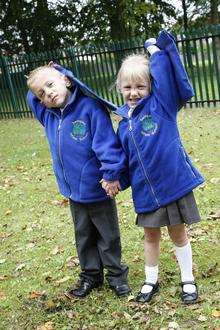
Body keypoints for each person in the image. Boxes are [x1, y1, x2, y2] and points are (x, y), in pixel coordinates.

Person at [102, 31, 204, 304]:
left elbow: (166, 78)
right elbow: (124, 160)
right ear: (119, 88)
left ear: (151, 87)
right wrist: (114, 179)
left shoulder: (163, 105)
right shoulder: (123, 124)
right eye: (127, 87)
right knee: (150, 236)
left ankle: (187, 279)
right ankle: (150, 280)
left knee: (178, 233)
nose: (133, 93)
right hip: (146, 191)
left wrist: (156, 52)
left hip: (172, 184)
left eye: (140, 87)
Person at [26, 63, 130, 298]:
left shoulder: (90, 108)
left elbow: (107, 145)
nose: (48, 93)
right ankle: (91, 275)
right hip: (73, 191)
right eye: (42, 93)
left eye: (51, 84)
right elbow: (30, 97)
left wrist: (111, 175)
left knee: (107, 235)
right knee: (83, 235)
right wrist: (40, 83)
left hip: (98, 188)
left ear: (67, 80)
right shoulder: (48, 114)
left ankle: (116, 275)